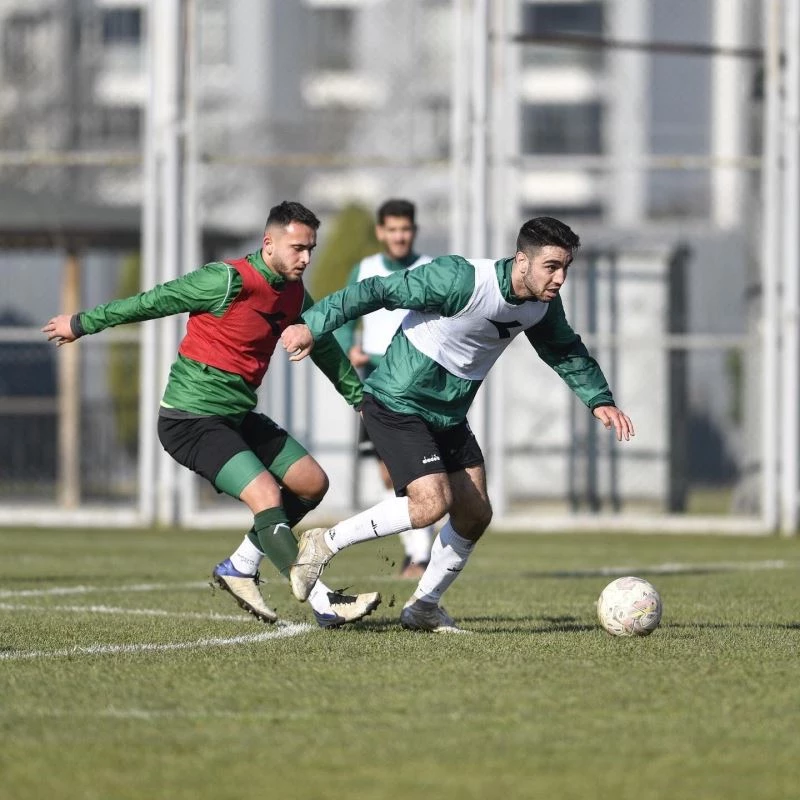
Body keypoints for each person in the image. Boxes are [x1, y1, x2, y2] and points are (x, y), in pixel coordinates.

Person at [280, 216, 634, 632]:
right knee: (431, 503)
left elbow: (564, 350)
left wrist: (599, 399)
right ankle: (325, 542)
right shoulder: (460, 278)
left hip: (448, 413)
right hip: (398, 398)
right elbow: (375, 290)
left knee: (474, 513)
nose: (560, 278)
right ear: (522, 261)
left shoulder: (542, 305)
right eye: (552, 267)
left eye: (566, 268)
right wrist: (312, 324)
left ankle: (423, 606)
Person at [41, 201, 380, 630]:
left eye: (310, 248)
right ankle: (325, 601)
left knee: (312, 482)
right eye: (297, 248)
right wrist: (82, 322)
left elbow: (324, 345)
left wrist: (360, 399)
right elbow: (152, 301)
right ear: (269, 242)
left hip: (236, 417)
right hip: (190, 420)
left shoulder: (293, 292)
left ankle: (240, 566)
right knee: (266, 495)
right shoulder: (225, 279)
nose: (306, 258)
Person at [336, 199, 435, 579]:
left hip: (420, 384)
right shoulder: (365, 270)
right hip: (376, 382)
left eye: (405, 229)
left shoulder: (430, 270)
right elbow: (345, 316)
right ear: (380, 232)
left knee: (423, 473)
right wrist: (350, 349)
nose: (399, 236)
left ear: (414, 230)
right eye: (392, 229)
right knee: (388, 474)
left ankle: (422, 556)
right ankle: (418, 554)